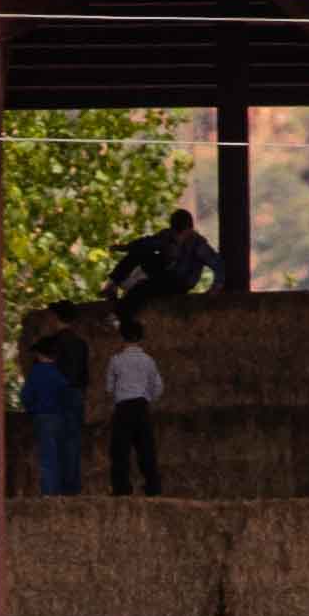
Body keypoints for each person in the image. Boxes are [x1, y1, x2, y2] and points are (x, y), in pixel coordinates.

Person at [101, 208, 224, 327]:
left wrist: (214, 288)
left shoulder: (199, 245)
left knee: (144, 286)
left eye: (182, 233)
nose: (178, 237)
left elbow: (218, 265)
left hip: (180, 282)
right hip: (164, 270)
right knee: (139, 252)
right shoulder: (167, 235)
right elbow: (147, 243)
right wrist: (125, 247)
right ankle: (112, 284)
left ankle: (118, 316)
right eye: (176, 232)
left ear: (190, 229)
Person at [106, 318, 164, 496]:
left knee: (120, 450)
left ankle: (121, 487)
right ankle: (153, 486)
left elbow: (109, 387)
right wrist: (148, 398)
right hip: (141, 405)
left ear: (122, 338)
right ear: (141, 338)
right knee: (146, 448)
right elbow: (158, 386)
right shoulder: (148, 361)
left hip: (123, 407)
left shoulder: (116, 360)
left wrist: (116, 396)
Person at [39, 300, 90, 495]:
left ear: (55, 318)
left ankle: (51, 492)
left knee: (50, 444)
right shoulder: (81, 344)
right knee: (72, 443)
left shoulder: (50, 344)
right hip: (75, 395)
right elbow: (85, 376)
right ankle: (72, 491)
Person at [21, 337, 73, 496]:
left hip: (43, 417)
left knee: (47, 456)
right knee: (62, 454)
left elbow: (26, 395)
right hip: (60, 417)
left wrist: (31, 409)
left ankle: (49, 493)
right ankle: (63, 490)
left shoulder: (36, 372)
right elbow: (67, 396)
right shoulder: (59, 374)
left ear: (39, 354)